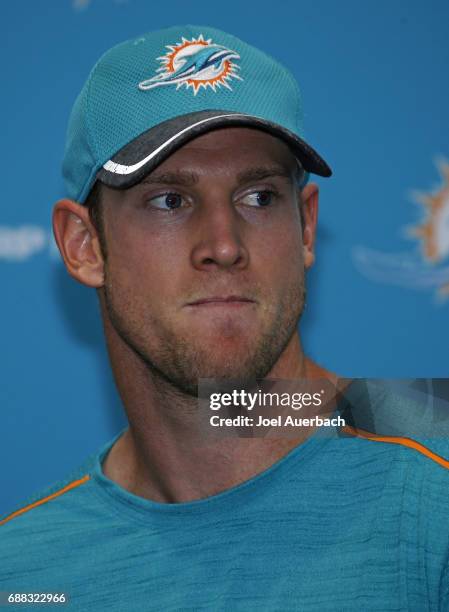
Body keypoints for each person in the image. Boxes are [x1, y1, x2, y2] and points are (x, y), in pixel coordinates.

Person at [2, 25, 449, 611]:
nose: (223, 244)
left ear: (306, 227)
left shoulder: (436, 475)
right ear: (84, 245)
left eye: (258, 197)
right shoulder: (24, 569)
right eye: (169, 200)